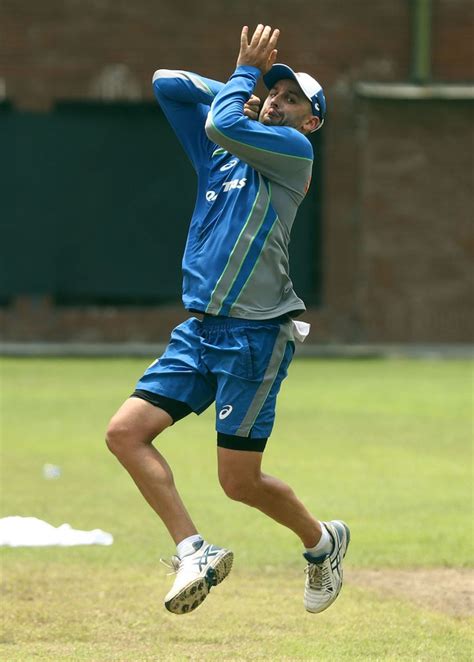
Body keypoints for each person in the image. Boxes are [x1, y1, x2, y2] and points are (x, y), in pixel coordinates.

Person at [106, 24, 350, 616]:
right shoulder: (224, 148)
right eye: (275, 92)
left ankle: (322, 544)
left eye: (293, 101)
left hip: (256, 335)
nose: (277, 101)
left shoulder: (295, 154)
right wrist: (237, 89)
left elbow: (219, 122)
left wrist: (241, 82)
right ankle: (195, 551)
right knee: (124, 433)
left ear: (310, 122)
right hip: (200, 329)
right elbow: (167, 84)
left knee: (239, 482)